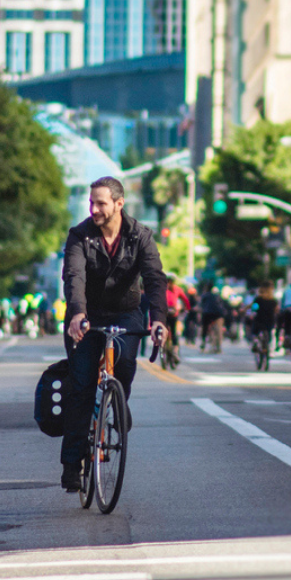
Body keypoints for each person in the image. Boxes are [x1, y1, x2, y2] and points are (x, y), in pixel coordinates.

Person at [60, 176, 167, 492]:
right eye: (91, 203)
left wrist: (159, 320)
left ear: (119, 204)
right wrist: (78, 312)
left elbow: (155, 280)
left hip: (125, 312)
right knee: (80, 388)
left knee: (126, 364)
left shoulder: (140, 236)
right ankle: (71, 464)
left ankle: (119, 402)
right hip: (86, 315)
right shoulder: (80, 235)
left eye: (101, 203)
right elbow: (74, 276)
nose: (94, 208)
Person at [198, 283, 230, 352]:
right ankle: (218, 347)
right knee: (218, 330)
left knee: (205, 328)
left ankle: (203, 343)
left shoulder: (205, 295)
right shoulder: (217, 296)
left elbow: (201, 306)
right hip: (218, 314)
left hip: (207, 313)